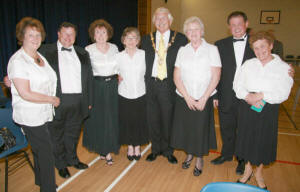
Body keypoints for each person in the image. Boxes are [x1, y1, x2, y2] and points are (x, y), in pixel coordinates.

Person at [233, 31, 293, 189]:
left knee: (263, 142)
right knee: (246, 140)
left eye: (263, 47)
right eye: (256, 48)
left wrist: (261, 95)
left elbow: (284, 92)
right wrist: (247, 95)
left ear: (271, 45)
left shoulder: (283, 68)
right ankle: (247, 171)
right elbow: (237, 84)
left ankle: (258, 173)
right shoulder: (248, 64)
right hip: (247, 106)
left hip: (268, 108)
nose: (260, 51)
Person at [7, 17, 59, 192]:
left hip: (43, 112)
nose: (35, 38)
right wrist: (51, 99)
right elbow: (26, 93)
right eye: (31, 35)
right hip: (30, 115)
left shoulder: (39, 55)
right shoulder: (18, 61)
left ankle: (41, 180)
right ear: (22, 37)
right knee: (46, 153)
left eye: (38, 34)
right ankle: (48, 188)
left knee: (40, 151)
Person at [39, 22, 93, 178]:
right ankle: (61, 164)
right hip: (57, 100)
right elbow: (30, 67)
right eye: (65, 34)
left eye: (72, 34)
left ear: (76, 36)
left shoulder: (83, 53)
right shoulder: (44, 51)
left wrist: (89, 101)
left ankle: (72, 159)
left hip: (79, 100)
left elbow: (88, 78)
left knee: (73, 133)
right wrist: (11, 79)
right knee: (56, 135)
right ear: (58, 34)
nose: (68, 37)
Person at [170, 16, 221, 176]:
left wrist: (204, 99)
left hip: (203, 98)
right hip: (184, 97)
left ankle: (199, 158)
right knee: (187, 129)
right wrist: (187, 98)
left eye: (196, 29)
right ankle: (189, 154)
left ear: (202, 31)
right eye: (189, 30)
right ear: (186, 33)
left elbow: (216, 76)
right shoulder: (182, 50)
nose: (193, 32)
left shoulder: (212, 49)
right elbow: (176, 77)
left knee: (200, 130)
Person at [210, 11, 255, 175]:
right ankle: (226, 154)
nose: (236, 27)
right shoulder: (219, 44)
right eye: (233, 25)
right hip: (226, 94)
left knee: (244, 129)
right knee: (226, 127)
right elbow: (215, 72)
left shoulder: (256, 43)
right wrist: (215, 95)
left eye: (239, 24)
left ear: (246, 24)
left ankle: (242, 159)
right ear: (229, 27)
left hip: (248, 96)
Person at [141, 7, 188, 164]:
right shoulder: (146, 39)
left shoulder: (181, 39)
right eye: (157, 19)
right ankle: (155, 149)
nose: (160, 21)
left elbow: (187, 63)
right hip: (150, 84)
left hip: (169, 84)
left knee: (168, 119)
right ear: (154, 21)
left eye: (164, 18)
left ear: (170, 20)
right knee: (152, 118)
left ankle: (168, 150)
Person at [83, 19, 119, 165]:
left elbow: (119, 65)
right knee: (98, 120)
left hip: (113, 86)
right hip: (96, 87)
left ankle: (108, 147)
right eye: (97, 32)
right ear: (93, 34)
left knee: (111, 119)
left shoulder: (115, 48)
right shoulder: (88, 49)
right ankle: (104, 150)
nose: (100, 35)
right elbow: (85, 73)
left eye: (103, 32)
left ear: (108, 33)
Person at [116, 27, 148, 161]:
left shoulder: (144, 54)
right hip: (124, 93)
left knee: (139, 121)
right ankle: (130, 146)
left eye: (134, 37)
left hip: (141, 93)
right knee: (127, 122)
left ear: (138, 40)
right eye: (128, 37)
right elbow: (113, 72)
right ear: (123, 40)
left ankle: (137, 146)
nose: (131, 40)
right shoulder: (118, 56)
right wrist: (116, 76)